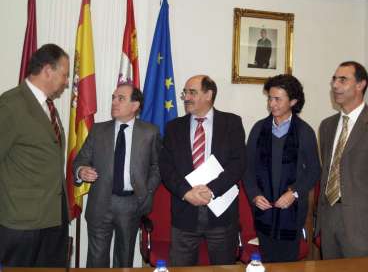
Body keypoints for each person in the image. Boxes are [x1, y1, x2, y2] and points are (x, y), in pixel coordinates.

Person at [160, 75, 246, 266]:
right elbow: (166, 167)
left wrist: (212, 190)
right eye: (185, 92)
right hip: (184, 213)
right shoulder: (173, 127)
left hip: (221, 214)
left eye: (192, 92)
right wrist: (186, 193)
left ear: (208, 94)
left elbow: (238, 164)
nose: (186, 97)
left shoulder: (231, 123)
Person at [317, 61, 368, 259]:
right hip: (329, 221)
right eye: (334, 79)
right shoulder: (327, 126)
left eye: (343, 80)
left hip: (363, 225)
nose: (335, 85)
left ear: (360, 85)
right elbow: (328, 171)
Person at [73, 84, 161, 267]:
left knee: (124, 258)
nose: (114, 102)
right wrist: (81, 171)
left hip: (131, 204)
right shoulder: (98, 130)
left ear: (135, 105)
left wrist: (146, 190)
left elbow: (157, 166)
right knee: (96, 259)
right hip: (100, 202)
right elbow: (80, 160)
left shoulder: (150, 132)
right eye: (114, 97)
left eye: (120, 98)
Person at [0, 44, 70, 267]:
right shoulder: (11, 104)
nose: (66, 82)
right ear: (48, 70)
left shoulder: (48, 106)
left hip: (53, 220)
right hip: (21, 223)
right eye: (64, 75)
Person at [243, 74, 320, 262]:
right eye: (270, 98)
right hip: (263, 211)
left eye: (278, 99)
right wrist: (254, 194)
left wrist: (293, 193)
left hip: (291, 214)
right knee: (266, 261)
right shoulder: (258, 129)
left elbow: (314, 170)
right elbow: (247, 168)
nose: (271, 104)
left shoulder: (305, 132)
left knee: (287, 264)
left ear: (293, 101)